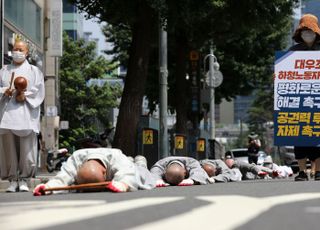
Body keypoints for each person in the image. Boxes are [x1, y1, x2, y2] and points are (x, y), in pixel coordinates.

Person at [0, 39, 45, 192]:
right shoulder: (4, 70)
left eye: (20, 49)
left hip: (26, 113)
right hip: (7, 114)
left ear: (26, 53)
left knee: (27, 148)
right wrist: (4, 92)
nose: (17, 52)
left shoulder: (34, 71)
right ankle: (13, 179)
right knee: (9, 147)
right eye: (15, 49)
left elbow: (39, 91)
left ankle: (25, 179)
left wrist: (24, 95)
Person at [33, 148, 156, 196]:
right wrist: (48, 187)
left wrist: (123, 184)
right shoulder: (76, 158)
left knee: (141, 173)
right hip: (115, 167)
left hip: (130, 168)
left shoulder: (116, 157)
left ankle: (140, 162)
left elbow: (127, 175)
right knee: (127, 163)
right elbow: (63, 177)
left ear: (104, 172)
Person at [290, 14, 320, 181]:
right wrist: (278, 76)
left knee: (318, 136)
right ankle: (302, 171)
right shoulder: (293, 52)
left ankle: (318, 171)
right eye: (304, 31)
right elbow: (282, 70)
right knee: (299, 136)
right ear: (300, 32)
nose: (307, 33)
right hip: (298, 100)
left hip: (318, 99)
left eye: (310, 30)